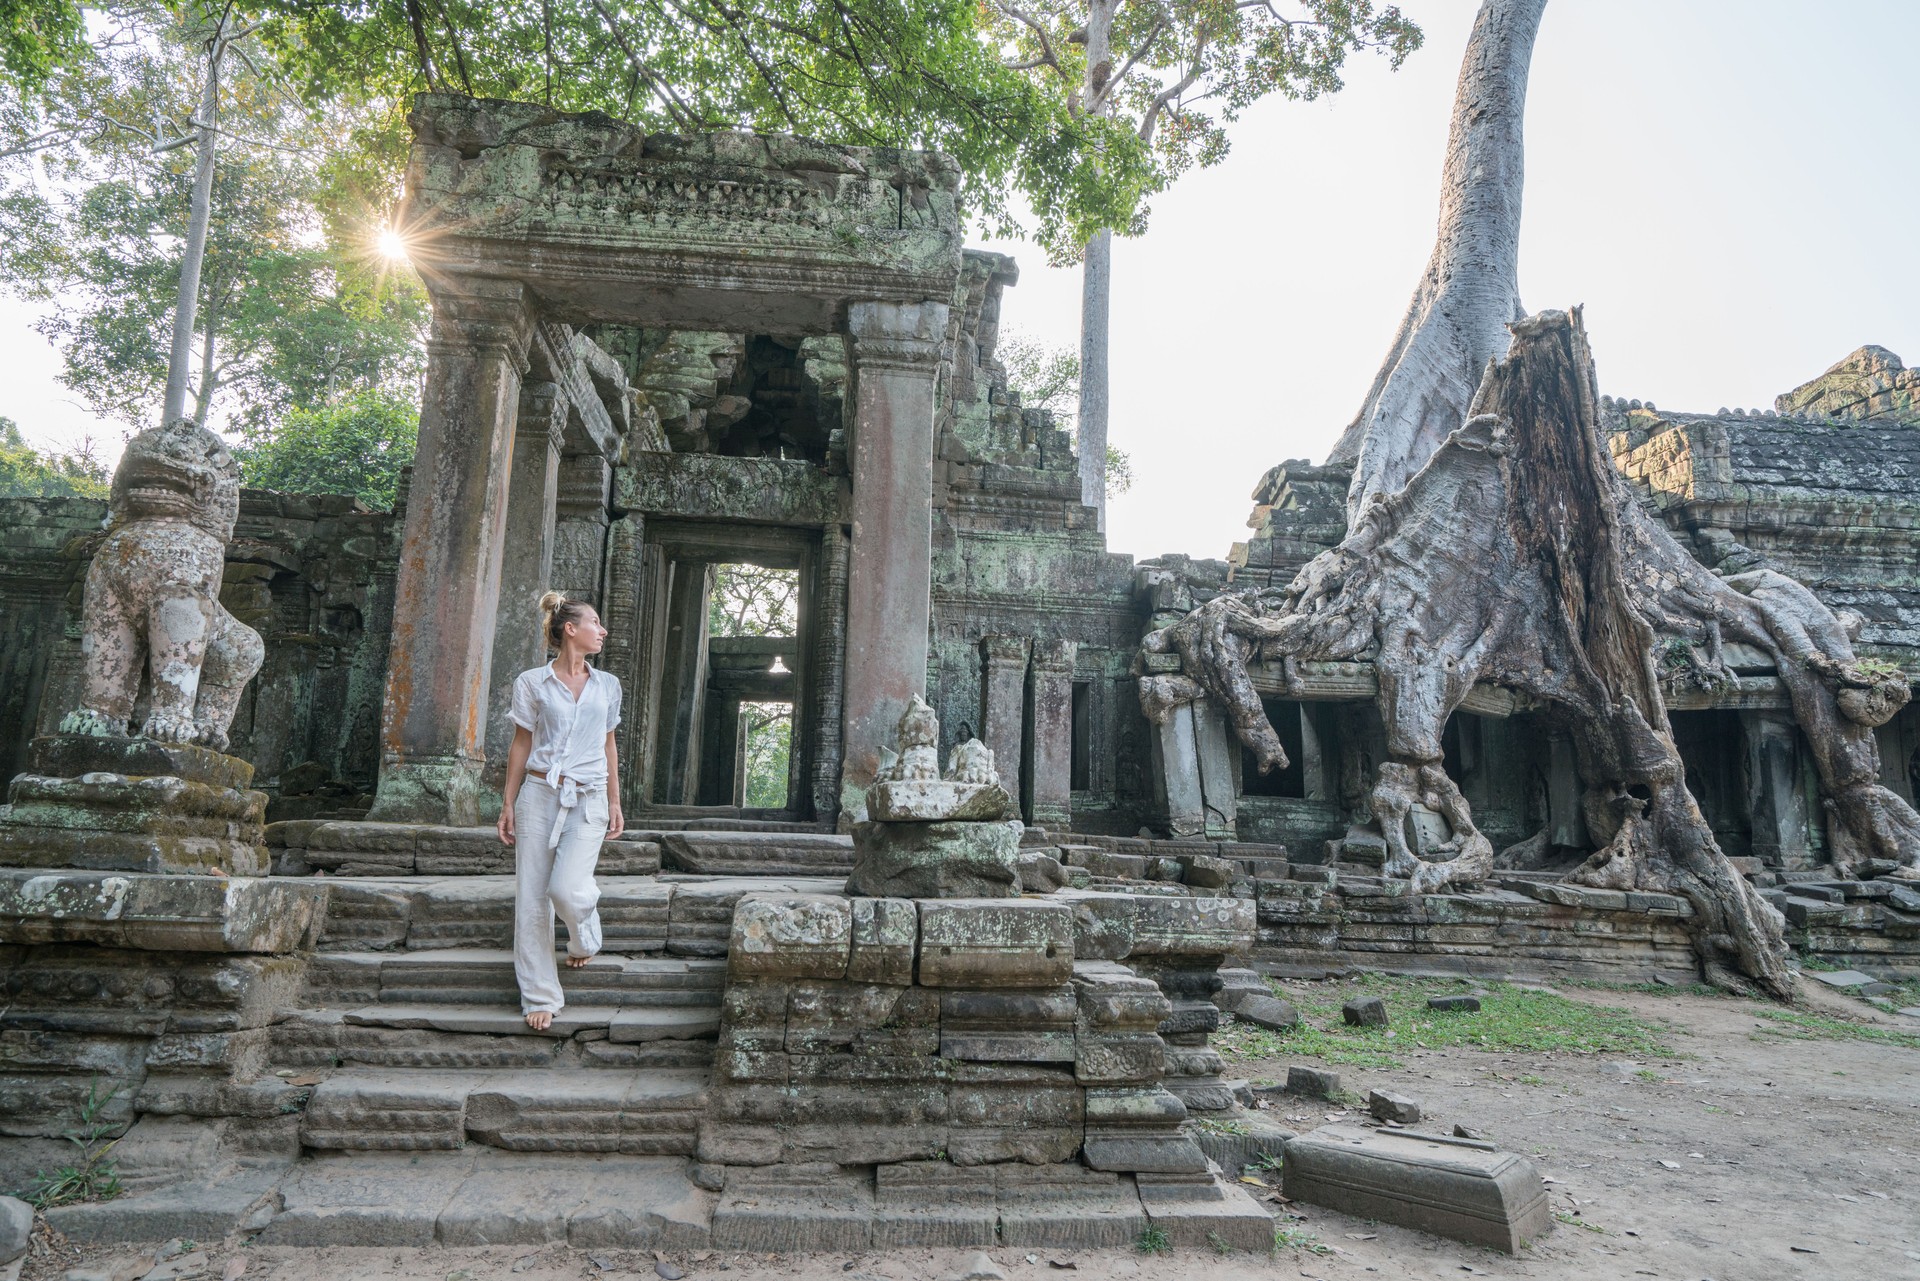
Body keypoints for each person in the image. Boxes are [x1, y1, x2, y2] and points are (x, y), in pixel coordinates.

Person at [496, 591, 625, 1030]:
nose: (602, 630)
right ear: (571, 629)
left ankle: (584, 938)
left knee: (567, 889)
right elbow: (522, 743)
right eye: (595, 623)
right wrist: (508, 802)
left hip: (588, 796)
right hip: (539, 793)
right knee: (533, 898)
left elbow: (609, 744)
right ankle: (541, 995)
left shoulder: (608, 685)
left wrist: (615, 799)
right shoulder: (532, 682)